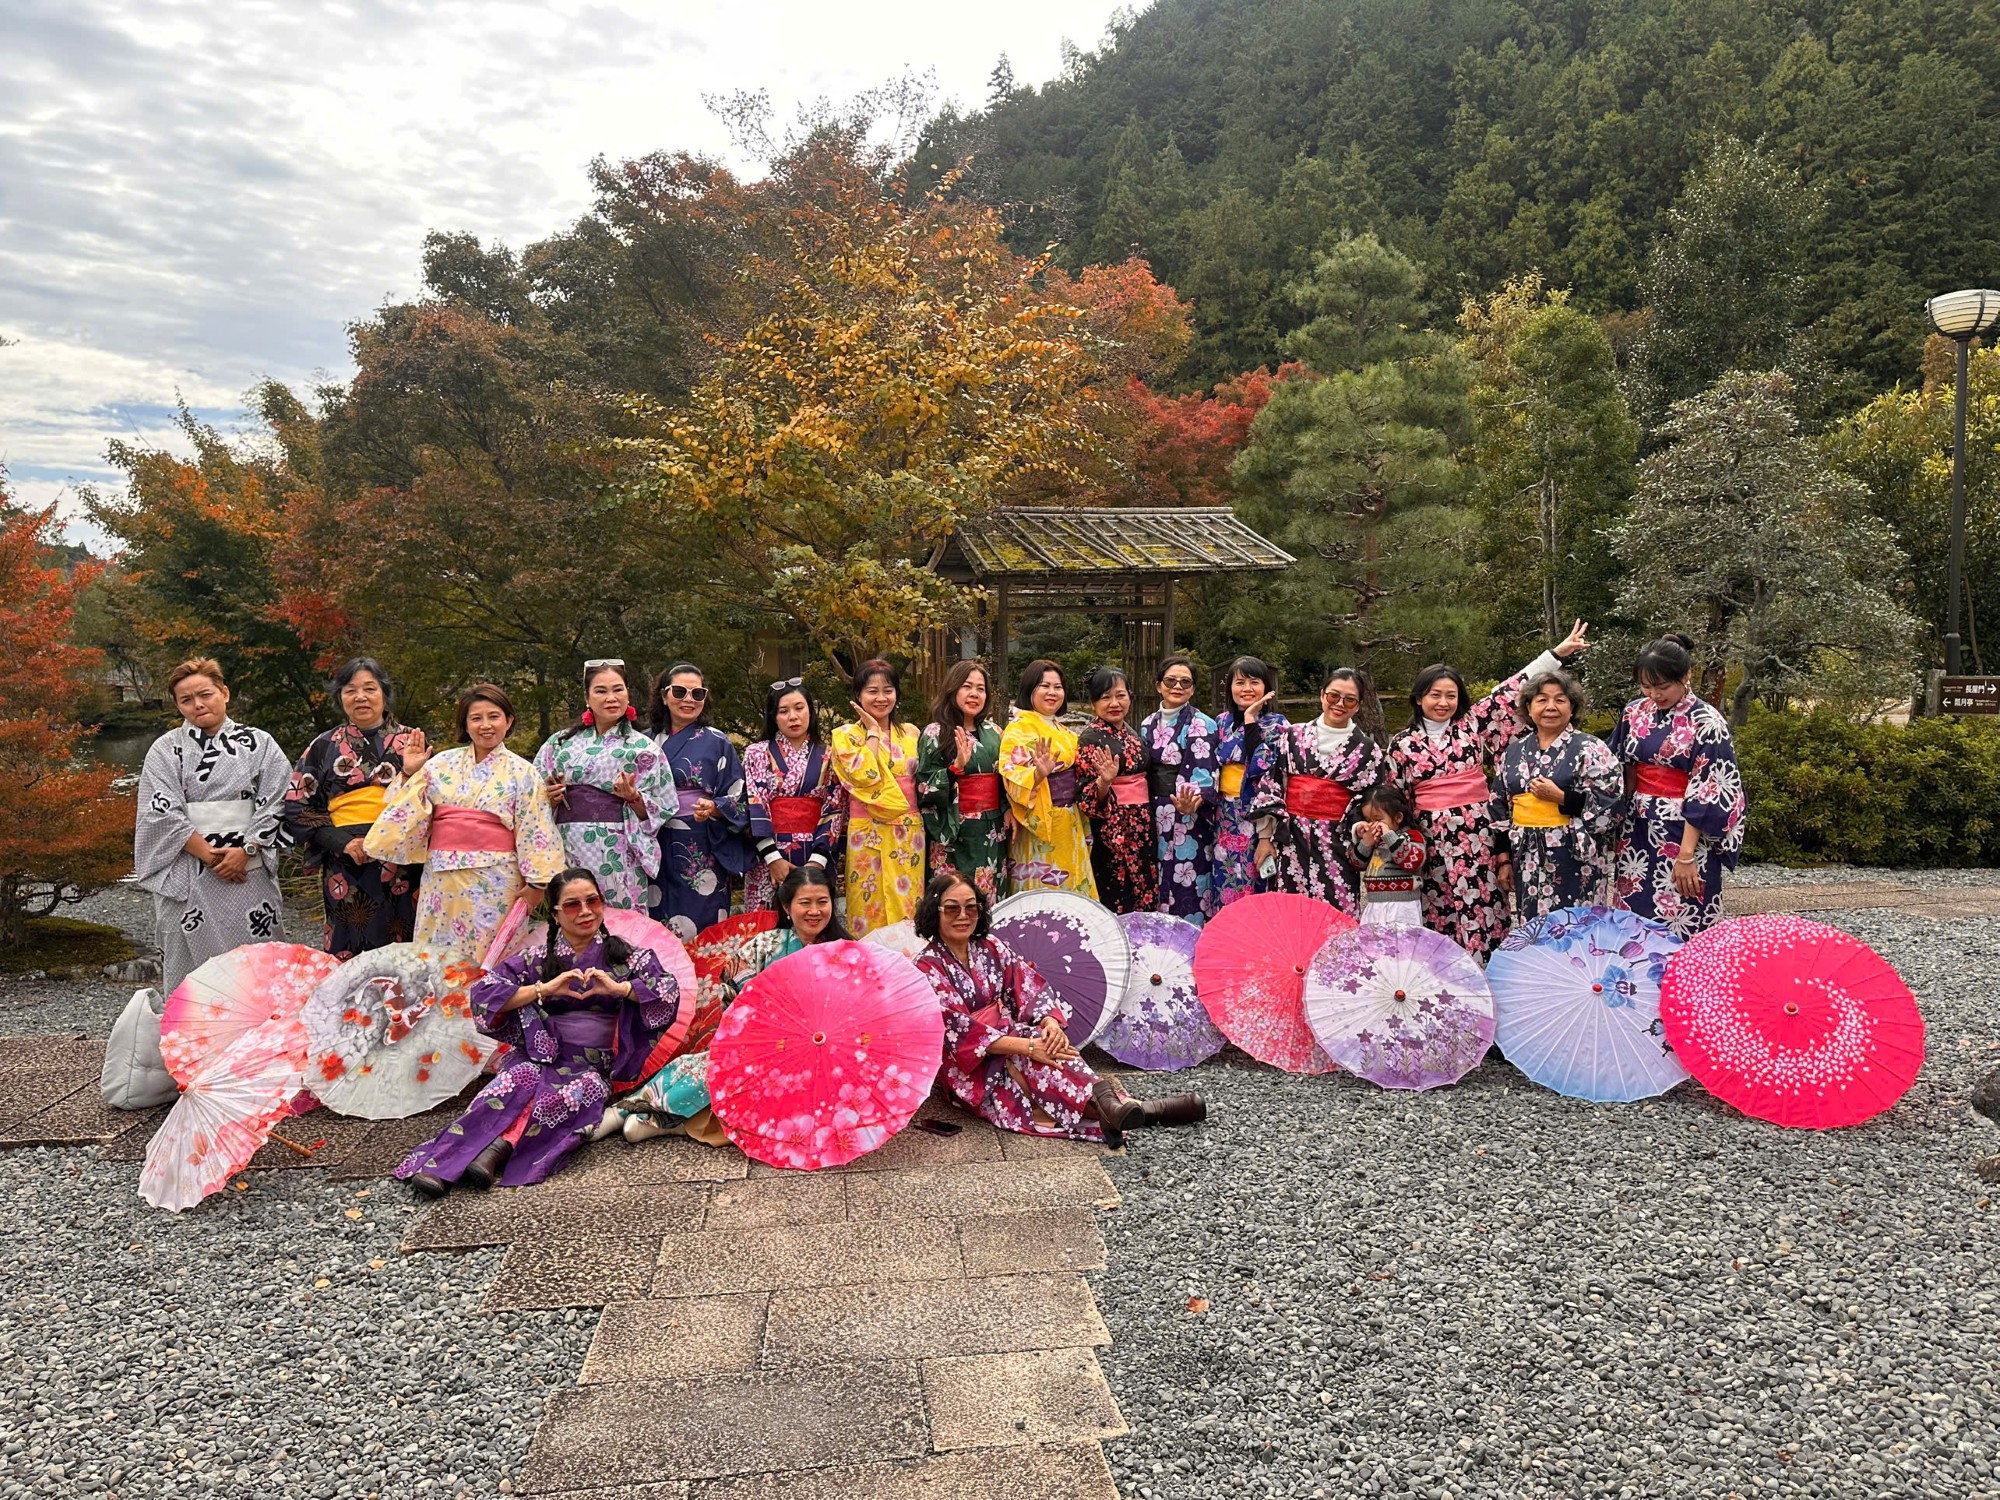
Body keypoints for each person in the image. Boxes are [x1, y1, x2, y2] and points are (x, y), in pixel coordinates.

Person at [398, 867, 679, 1195]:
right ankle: (443, 1163)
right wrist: (542, 990)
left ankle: (496, 1151)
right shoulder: (535, 959)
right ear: (555, 914)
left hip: (590, 1065)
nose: (586, 911)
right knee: (511, 1084)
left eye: (592, 901)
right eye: (572, 905)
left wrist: (621, 989)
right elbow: (485, 994)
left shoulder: (628, 959)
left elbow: (667, 989)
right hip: (538, 1053)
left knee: (565, 1097)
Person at [911, 873, 1204, 1148]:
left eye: (971, 907)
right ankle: (1139, 1109)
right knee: (1031, 1067)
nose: (963, 915)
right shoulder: (927, 967)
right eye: (952, 908)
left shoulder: (990, 946)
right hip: (969, 1063)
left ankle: (1112, 1108)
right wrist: (1029, 1048)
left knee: (1050, 1047)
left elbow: (1028, 985)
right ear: (934, 912)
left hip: (1008, 1035)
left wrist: (1049, 1022)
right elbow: (959, 1032)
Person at [1385, 622, 1593, 958]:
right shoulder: (1401, 743)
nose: (1443, 702)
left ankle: (1491, 973)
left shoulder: (1471, 724)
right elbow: (1397, 798)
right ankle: (1448, 977)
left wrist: (1556, 654)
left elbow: (1511, 689)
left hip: (1478, 835)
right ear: (1419, 698)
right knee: (1438, 907)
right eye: (1435, 695)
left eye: (1451, 695)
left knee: (1485, 905)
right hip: (1431, 839)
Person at [611, 864, 848, 1146]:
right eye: (805, 903)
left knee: (764, 1079)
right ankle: (636, 1109)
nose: (814, 911)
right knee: (720, 1061)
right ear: (787, 906)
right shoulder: (766, 945)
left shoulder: (847, 953)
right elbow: (733, 992)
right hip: (764, 1040)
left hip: (820, 1052)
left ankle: (666, 1119)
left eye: (822, 902)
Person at [365, 683, 566, 966]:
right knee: (437, 955)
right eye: (476, 718)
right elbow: (404, 813)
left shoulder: (524, 772)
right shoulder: (440, 764)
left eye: (494, 716)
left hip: (496, 877)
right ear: (465, 724)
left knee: (493, 955)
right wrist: (410, 772)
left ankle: (495, 997)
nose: (486, 725)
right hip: (441, 878)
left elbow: (535, 828)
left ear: (509, 721)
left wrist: (537, 883)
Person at [134, 658, 294, 994]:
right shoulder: (165, 750)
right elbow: (161, 811)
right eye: (186, 700)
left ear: (225, 693)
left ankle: (259, 1028)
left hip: (248, 867)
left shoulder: (260, 743)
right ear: (178, 706)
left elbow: (278, 799)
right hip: (187, 868)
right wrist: (212, 856)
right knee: (189, 973)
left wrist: (247, 849)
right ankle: (191, 1028)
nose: (198, 704)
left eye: (205, 694)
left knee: (256, 966)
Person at [1608, 633, 1747, 937]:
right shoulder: (1634, 712)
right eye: (1646, 686)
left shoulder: (1707, 721)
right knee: (1633, 919)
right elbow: (1618, 764)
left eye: (1663, 686)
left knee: (1685, 913)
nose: (1654, 694)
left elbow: (1709, 788)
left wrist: (1686, 855)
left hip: (1685, 831)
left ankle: (1691, 970)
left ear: (1686, 675)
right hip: (1637, 830)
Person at [282, 656, 420, 959]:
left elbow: (434, 800)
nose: (360, 697)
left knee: (406, 948)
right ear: (340, 697)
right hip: (346, 861)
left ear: (384, 692)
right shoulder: (323, 746)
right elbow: (297, 805)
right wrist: (342, 843)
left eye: (370, 688)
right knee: (350, 947)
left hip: (403, 859)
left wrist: (411, 775)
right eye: (350, 690)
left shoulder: (412, 742)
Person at [535, 659, 674, 912]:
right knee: (573, 908)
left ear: (627, 694)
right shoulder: (559, 743)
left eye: (618, 689)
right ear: (587, 698)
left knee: (621, 917)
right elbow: (534, 795)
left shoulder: (644, 749)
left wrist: (633, 797)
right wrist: (550, 797)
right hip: (568, 843)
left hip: (618, 846)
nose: (611, 697)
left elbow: (662, 807)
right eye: (601, 691)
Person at [1248, 667, 1387, 914]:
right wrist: (1265, 838)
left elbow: (1371, 802)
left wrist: (1361, 829)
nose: (1339, 704)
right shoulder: (1292, 735)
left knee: (1337, 914)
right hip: (1291, 840)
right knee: (1290, 914)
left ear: (1358, 706)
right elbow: (1273, 784)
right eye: (1333, 696)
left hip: (1338, 842)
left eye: (1349, 700)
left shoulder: (1368, 751)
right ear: (1322, 695)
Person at [1491, 669, 1625, 922]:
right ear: (1528, 708)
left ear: (1572, 708)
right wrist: (1504, 859)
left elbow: (1612, 805)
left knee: (1577, 927)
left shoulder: (1591, 748)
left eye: (1560, 700)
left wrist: (1563, 798)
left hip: (1574, 856)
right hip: (1526, 855)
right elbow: (1498, 805)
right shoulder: (1514, 752)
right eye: (1542, 700)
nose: (1550, 707)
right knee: (1533, 928)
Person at [649, 662, 752, 941]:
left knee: (705, 923)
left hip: (701, 843)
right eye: (680, 692)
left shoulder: (718, 742)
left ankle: (707, 970)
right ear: (664, 696)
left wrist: (716, 808)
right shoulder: (643, 742)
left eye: (697, 693)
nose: (689, 699)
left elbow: (740, 797)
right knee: (656, 922)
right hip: (653, 842)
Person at [830, 658, 926, 935]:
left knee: (909, 904)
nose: (881, 698)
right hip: (867, 829)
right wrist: (872, 732)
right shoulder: (846, 735)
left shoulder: (912, 733)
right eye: (872, 691)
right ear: (858, 695)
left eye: (888, 690)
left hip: (907, 830)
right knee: (867, 904)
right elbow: (864, 775)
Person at [741, 677, 842, 914]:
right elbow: (754, 803)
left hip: (815, 851)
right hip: (768, 855)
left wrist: (817, 861)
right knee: (765, 923)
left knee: (814, 917)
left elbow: (835, 807)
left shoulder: (830, 755)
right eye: (783, 711)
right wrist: (772, 858)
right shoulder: (756, 753)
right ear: (773, 717)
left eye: (799, 708)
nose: (793, 717)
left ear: (810, 711)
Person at [998, 660, 1097, 897]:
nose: (1052, 692)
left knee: (1072, 888)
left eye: (1058, 687)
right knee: (1041, 892)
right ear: (1029, 688)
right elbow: (1011, 775)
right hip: (1040, 821)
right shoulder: (1019, 728)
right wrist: (1037, 774)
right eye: (1044, 686)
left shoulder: (1066, 732)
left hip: (1070, 819)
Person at [916, 660, 1008, 899]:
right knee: (953, 896)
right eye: (967, 686)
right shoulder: (935, 733)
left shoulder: (995, 732)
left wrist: (1007, 808)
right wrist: (954, 769)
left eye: (981, 688)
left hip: (992, 828)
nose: (974, 694)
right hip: (955, 830)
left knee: (990, 898)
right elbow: (923, 788)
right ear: (952, 689)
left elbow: (1004, 781)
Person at [1141, 655, 1220, 921]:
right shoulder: (1147, 724)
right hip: (1154, 810)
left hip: (1188, 812)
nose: (1177, 686)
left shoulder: (1203, 723)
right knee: (1157, 872)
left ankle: (1191, 933)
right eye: (1170, 681)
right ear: (1158, 685)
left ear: (1193, 688)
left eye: (1185, 682)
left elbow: (1205, 770)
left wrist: (1194, 801)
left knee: (1188, 876)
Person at [1075, 666, 1156, 913]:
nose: (1114, 703)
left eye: (1120, 695)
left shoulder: (1133, 733)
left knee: (1144, 885)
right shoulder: (1090, 738)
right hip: (1113, 826)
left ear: (1130, 697)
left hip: (1142, 821)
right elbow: (1087, 795)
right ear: (1093, 703)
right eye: (1105, 697)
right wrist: (1105, 781)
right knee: (1116, 890)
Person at [1212, 656, 1287, 910]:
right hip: (1225, 815)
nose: (1246, 689)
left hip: (1258, 814)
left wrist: (1251, 719)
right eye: (1239, 682)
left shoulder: (1278, 724)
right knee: (1225, 880)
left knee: (1258, 879)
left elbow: (1264, 767)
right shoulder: (1220, 722)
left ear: (1266, 687)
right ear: (1229, 688)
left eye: (1254, 682)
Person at [1346, 785, 1427, 926]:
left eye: (1378, 819)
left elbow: (1413, 862)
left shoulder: (1411, 836)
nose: (1372, 825)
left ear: (1398, 817)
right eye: (1368, 820)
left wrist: (1390, 837)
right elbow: (1357, 864)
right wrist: (1365, 843)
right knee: (1373, 939)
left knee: (1403, 939)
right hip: (1374, 904)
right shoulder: (1374, 839)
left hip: (1403, 905)